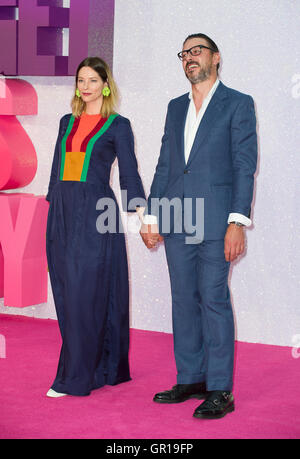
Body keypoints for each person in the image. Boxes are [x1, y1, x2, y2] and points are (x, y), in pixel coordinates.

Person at [140, 34, 257, 419]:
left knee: (213, 299)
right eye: (185, 53)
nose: (189, 58)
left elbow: (244, 166)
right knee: (183, 301)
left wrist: (237, 221)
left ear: (216, 58)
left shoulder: (238, 104)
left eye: (197, 51)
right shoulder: (175, 108)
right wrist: (153, 215)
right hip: (176, 219)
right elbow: (164, 165)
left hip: (216, 220)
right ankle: (191, 377)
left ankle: (221, 389)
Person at [46, 57, 145, 397]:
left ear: (105, 83)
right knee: (66, 291)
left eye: (92, 80)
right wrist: (53, 204)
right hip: (62, 213)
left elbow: (129, 173)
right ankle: (94, 367)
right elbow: (57, 169)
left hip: (97, 216)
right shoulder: (65, 122)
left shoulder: (118, 125)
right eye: (80, 80)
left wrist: (143, 215)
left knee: (84, 293)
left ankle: (74, 377)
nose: (85, 86)